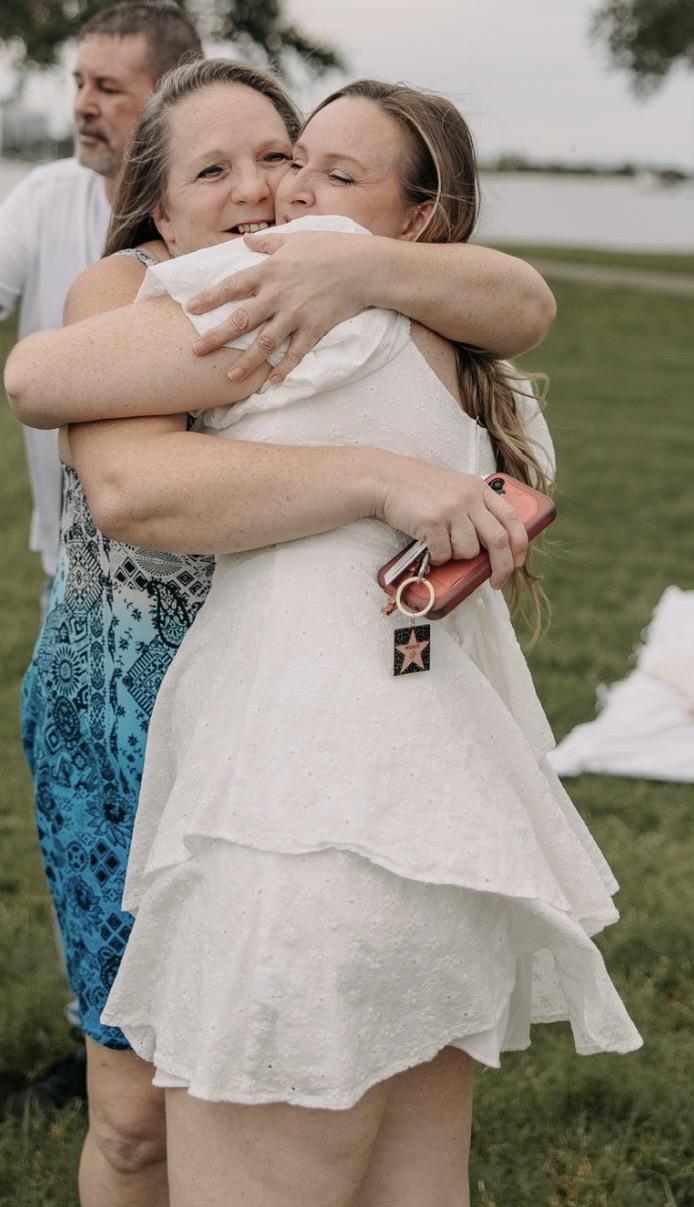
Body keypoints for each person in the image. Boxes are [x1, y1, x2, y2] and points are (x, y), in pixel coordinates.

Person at [11, 69, 640, 1206]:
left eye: (314, 169)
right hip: (431, 802)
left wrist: (345, 272)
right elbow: (518, 308)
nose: (280, 191)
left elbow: (36, 377)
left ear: (416, 224)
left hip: (289, 807)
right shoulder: (449, 346)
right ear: (155, 201)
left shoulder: (302, 296)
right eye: (265, 165)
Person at [0, 2, 203, 595]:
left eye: (109, 88)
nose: (83, 105)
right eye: (79, 82)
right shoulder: (45, 196)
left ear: (172, 100)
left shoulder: (234, 217)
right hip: (72, 565)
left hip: (209, 568)